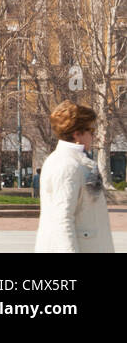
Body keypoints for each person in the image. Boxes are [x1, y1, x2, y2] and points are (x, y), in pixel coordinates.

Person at [35, 100, 112, 252]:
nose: (93, 136)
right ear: (77, 134)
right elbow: (62, 219)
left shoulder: (74, 161)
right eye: (91, 131)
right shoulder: (67, 166)